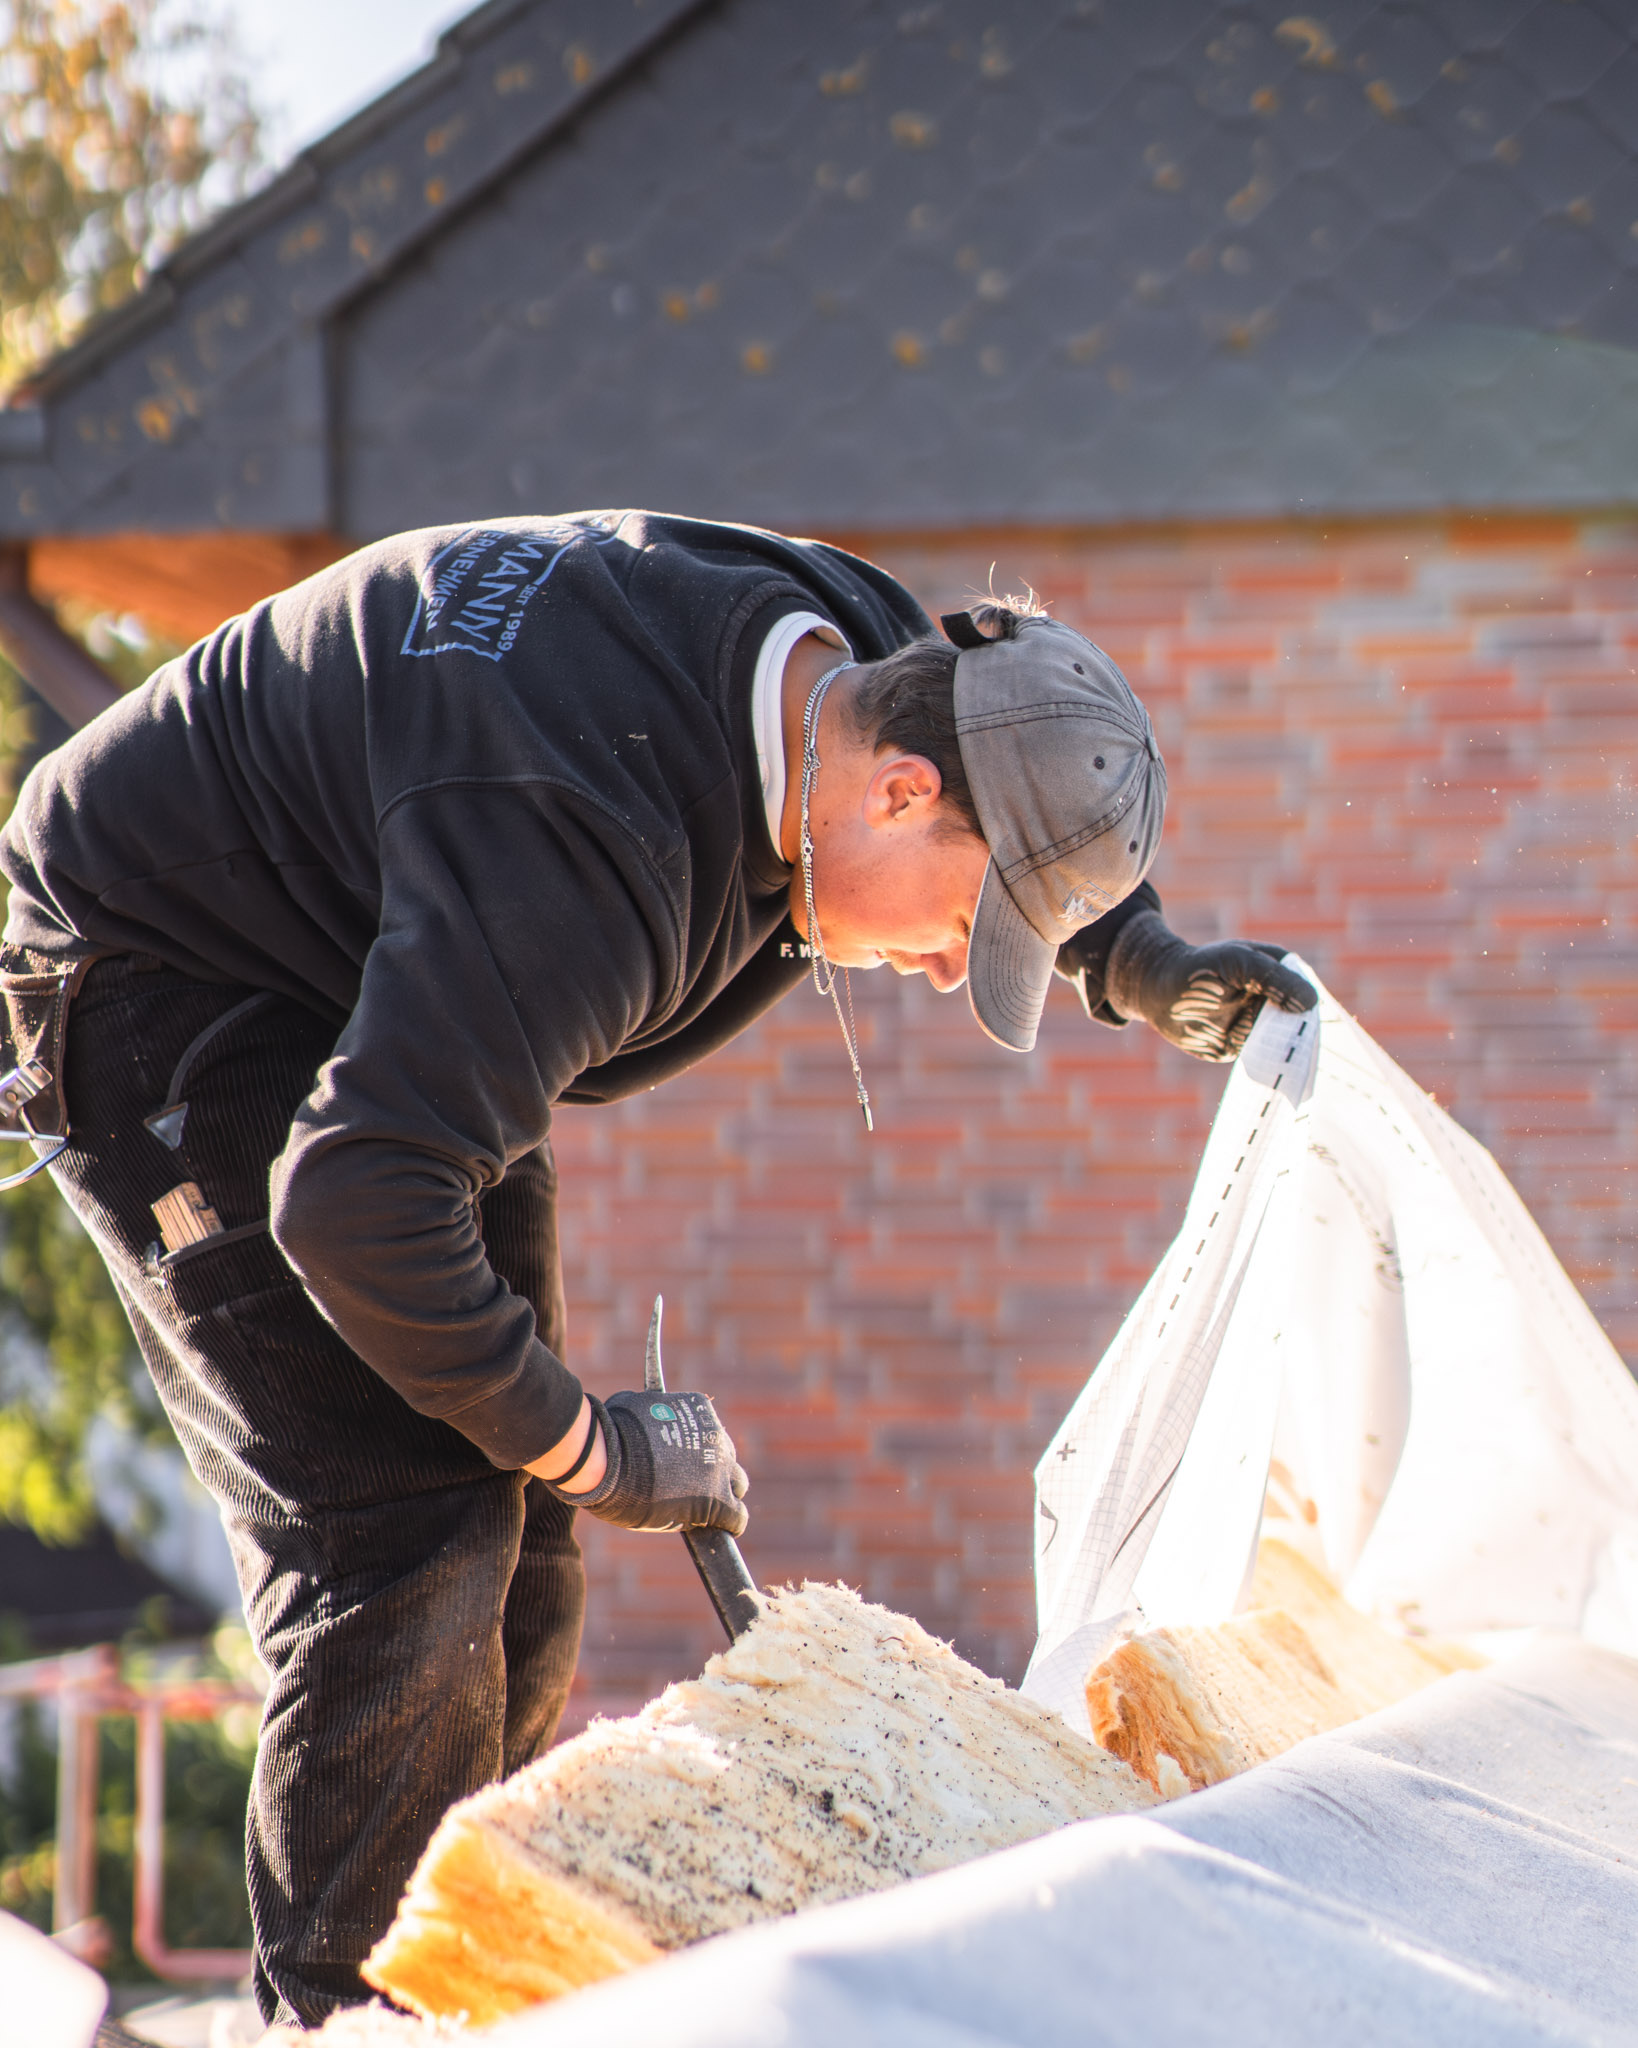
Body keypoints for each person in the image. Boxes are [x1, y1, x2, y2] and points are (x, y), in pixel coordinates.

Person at [0, 512, 1312, 2027]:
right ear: (894, 793)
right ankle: (352, 2026)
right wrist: (595, 1442)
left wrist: (1125, 954)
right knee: (400, 1533)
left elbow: (1003, 745)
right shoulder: (587, 861)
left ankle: (481, 1985)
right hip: (170, 969)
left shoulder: (867, 651)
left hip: (404, 956)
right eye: (971, 921)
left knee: (528, 1551)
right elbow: (353, 1204)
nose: (956, 967)